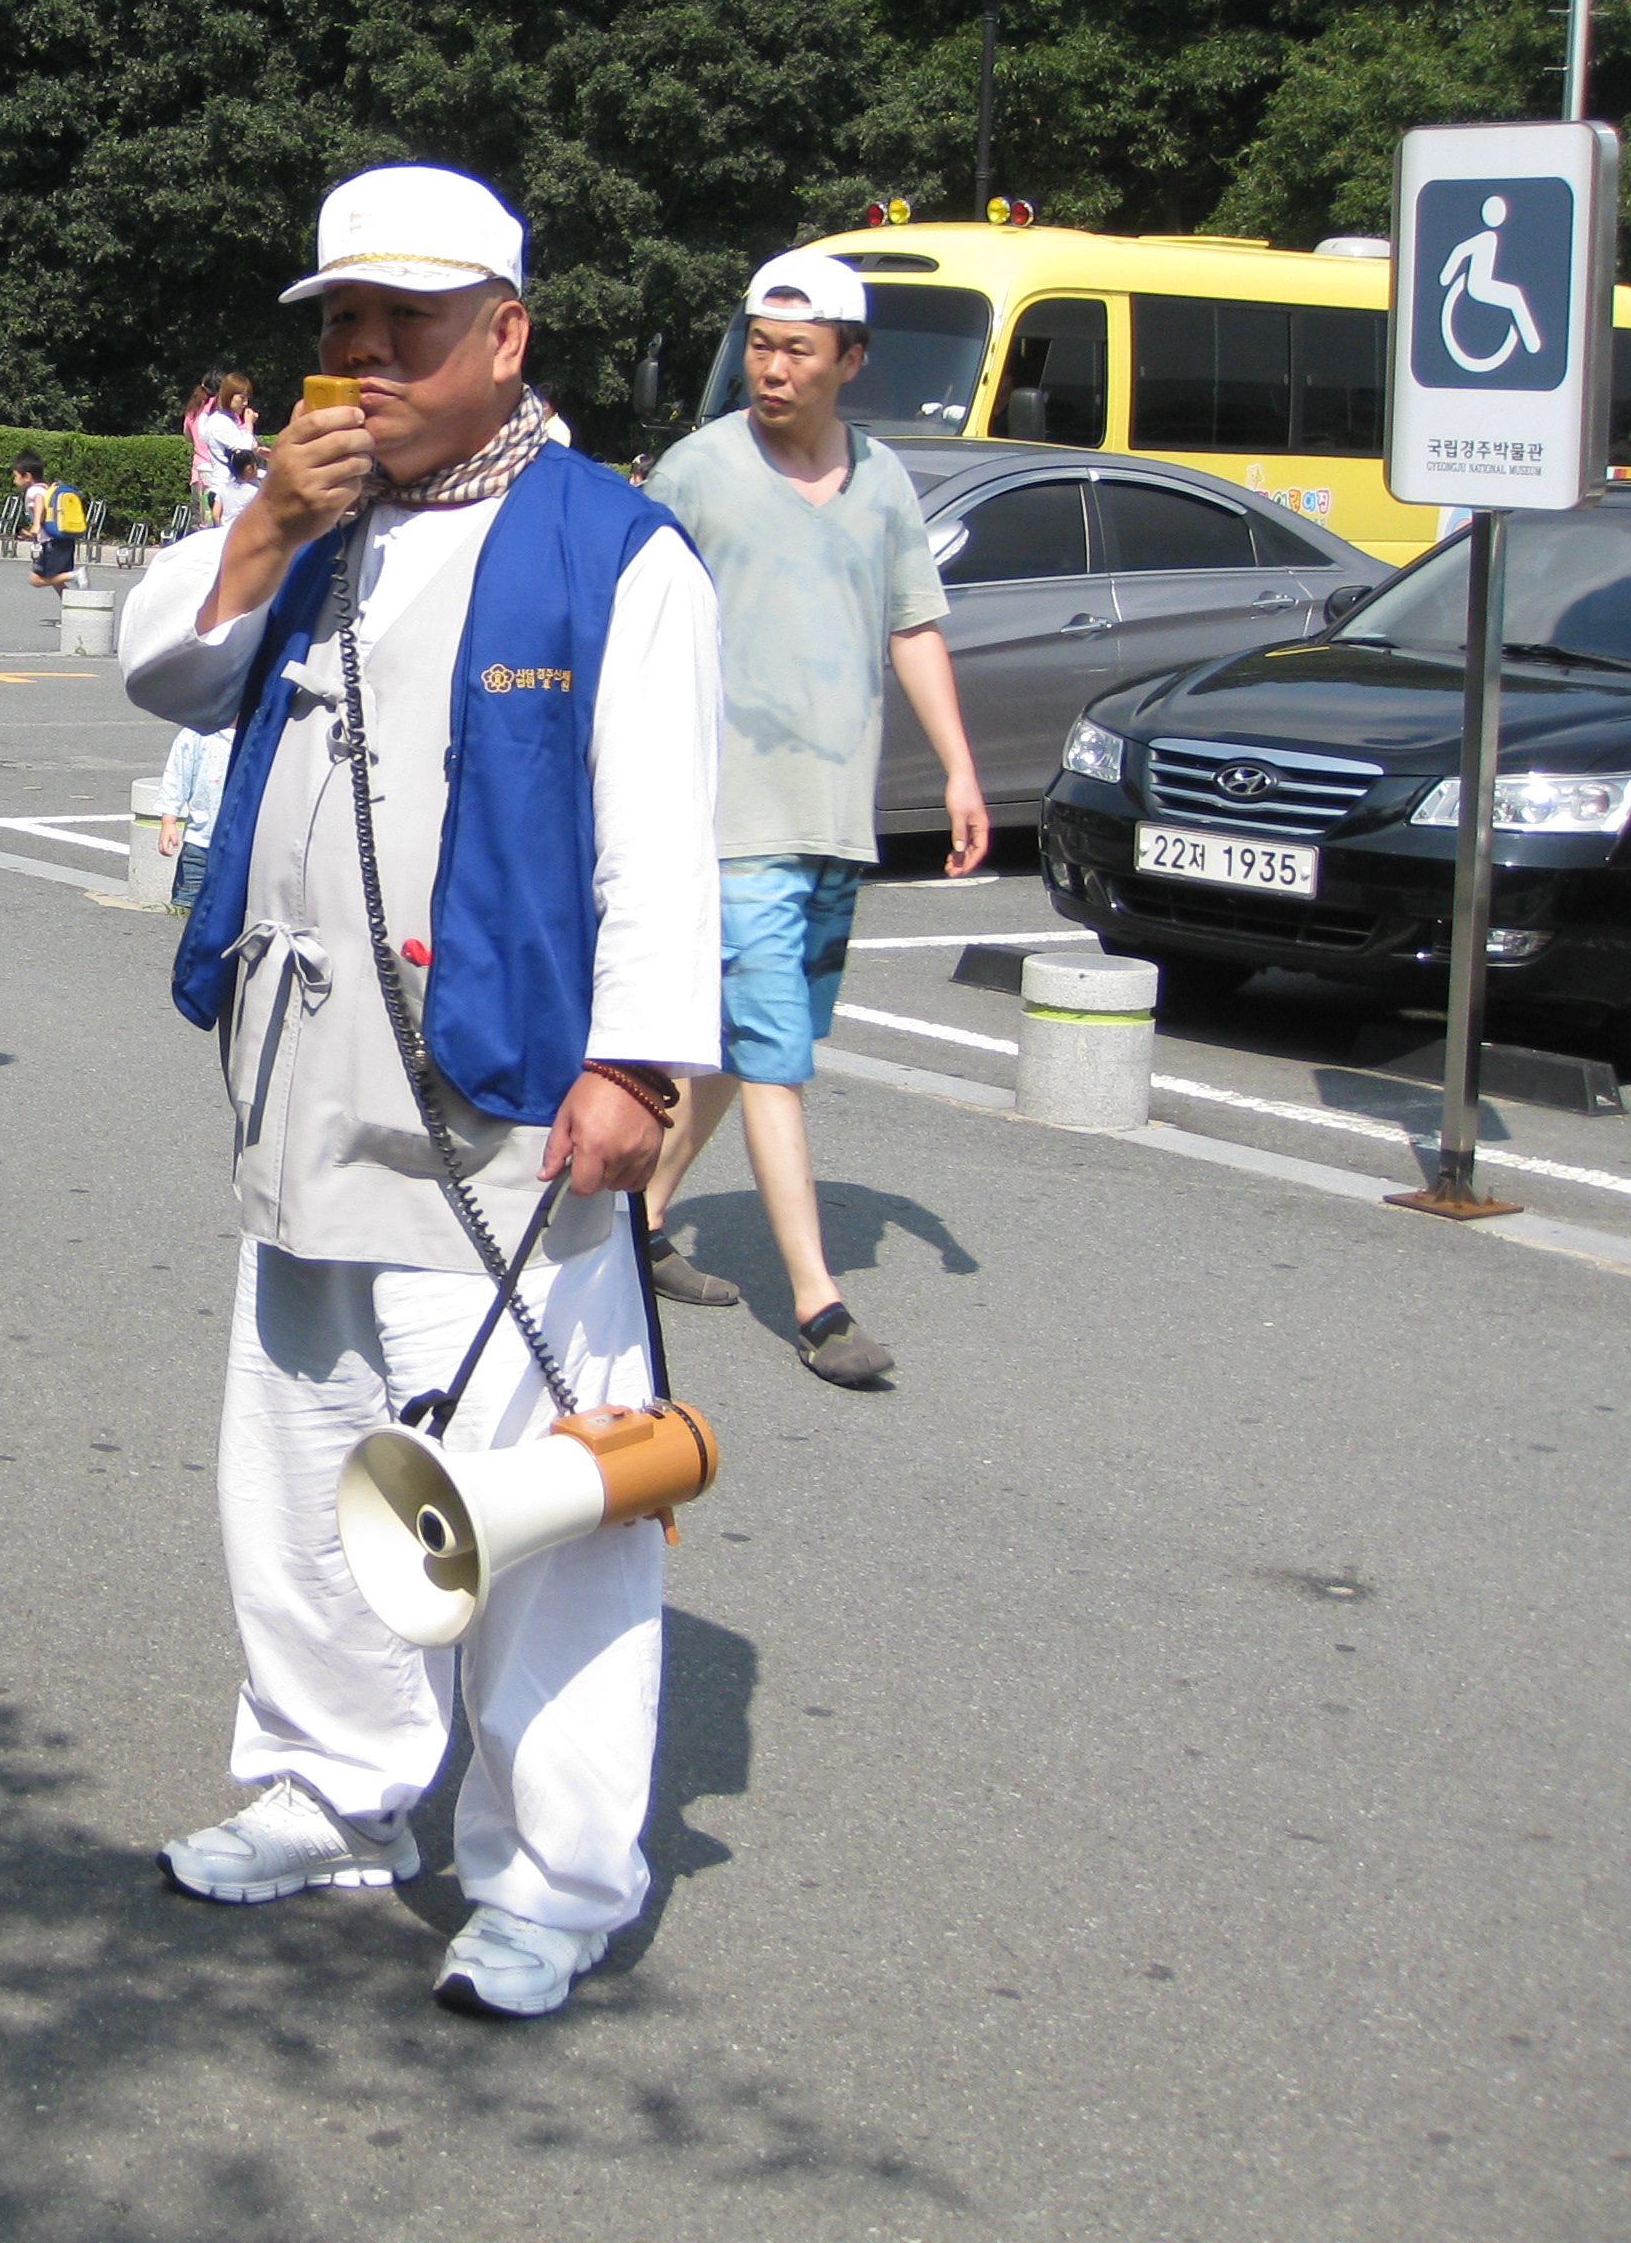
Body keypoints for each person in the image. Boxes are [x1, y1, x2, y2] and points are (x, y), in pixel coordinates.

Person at [120, 163, 720, 2022]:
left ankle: (556, 1877)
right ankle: (331, 1789)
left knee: (536, 1497)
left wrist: (636, 1062)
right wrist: (257, 530)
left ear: (506, 335)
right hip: (304, 1062)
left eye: (407, 323)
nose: (364, 356)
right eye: (341, 324)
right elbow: (159, 668)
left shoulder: (613, 547)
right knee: (299, 1461)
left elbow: (660, 840)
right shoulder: (303, 515)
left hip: (510, 1099)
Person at [640, 248, 985, 1388]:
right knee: (776, 1057)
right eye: (759, 345)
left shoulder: (883, 482)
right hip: (728, 818)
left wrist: (960, 773)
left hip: (833, 819)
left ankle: (636, 1220)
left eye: (797, 350)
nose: (771, 368)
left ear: (851, 360)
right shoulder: (696, 472)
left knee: (745, 1050)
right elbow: (626, 621)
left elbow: (912, 627)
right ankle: (819, 1306)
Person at [155, 722, 230, 912]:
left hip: (247, 846)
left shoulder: (263, 732)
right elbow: (175, 778)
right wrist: (168, 822)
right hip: (200, 841)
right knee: (189, 907)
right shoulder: (195, 734)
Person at [186, 369, 256, 525]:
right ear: (228, 395)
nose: (245, 403)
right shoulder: (221, 422)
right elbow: (245, 450)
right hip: (224, 491)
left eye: (247, 398)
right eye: (241, 398)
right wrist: (249, 424)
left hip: (226, 490)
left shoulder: (224, 420)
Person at [16, 450, 81, 591]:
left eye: (15, 476)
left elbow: (39, 502)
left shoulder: (34, 490)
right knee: (56, 580)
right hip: (61, 540)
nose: (14, 481)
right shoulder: (46, 488)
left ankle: (74, 576)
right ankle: (70, 601)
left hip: (52, 543)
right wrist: (30, 533)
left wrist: (36, 525)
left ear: (27, 476)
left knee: (36, 579)